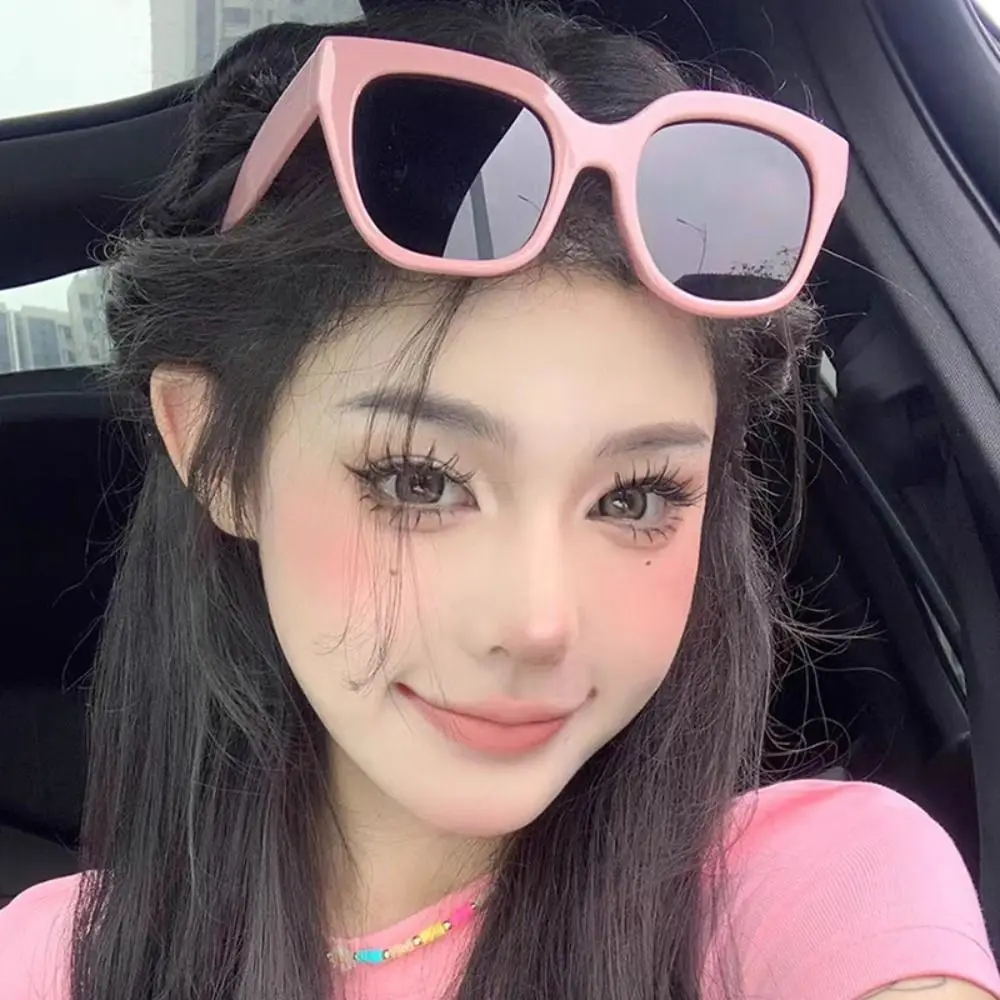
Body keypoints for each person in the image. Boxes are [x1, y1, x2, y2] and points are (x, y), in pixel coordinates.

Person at [1, 2, 998, 998]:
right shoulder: (51, 961)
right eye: (419, 481)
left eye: (635, 497)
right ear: (215, 452)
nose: (535, 623)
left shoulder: (821, 895)